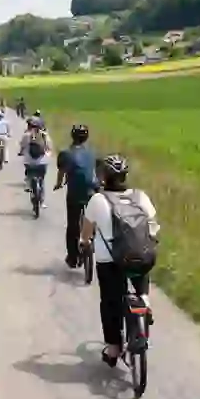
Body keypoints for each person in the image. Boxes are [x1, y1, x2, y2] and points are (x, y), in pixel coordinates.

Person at [78, 154, 160, 367]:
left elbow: (86, 232)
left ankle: (114, 348)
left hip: (110, 262)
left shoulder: (97, 200)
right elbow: (152, 224)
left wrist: (84, 243)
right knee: (140, 285)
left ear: (103, 177)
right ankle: (144, 302)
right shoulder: (140, 197)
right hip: (141, 256)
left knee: (110, 303)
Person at [53, 124, 99, 268]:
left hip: (75, 193)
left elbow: (61, 172)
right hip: (93, 190)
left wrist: (59, 184)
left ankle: (73, 257)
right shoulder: (92, 152)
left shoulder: (66, 153)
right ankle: (92, 239)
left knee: (73, 225)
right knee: (93, 218)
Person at [18, 117, 52, 206]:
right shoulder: (44, 135)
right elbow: (49, 147)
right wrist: (48, 153)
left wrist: (21, 152)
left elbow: (22, 146)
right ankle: (42, 202)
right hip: (42, 162)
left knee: (29, 174)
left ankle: (29, 184)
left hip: (29, 162)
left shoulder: (26, 135)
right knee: (42, 180)